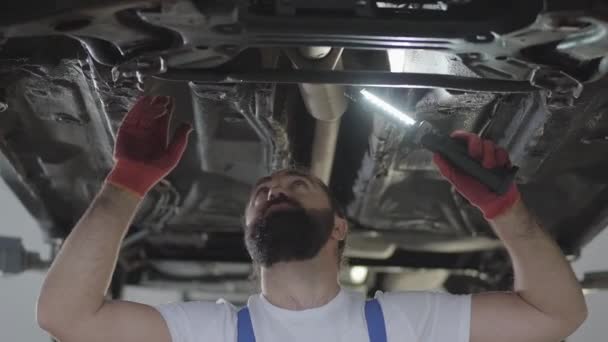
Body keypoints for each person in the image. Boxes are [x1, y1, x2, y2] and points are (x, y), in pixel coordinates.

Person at [37, 96, 587, 342]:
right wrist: (125, 183)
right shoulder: (213, 333)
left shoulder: (402, 324)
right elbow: (68, 319)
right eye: (263, 192)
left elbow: (554, 316)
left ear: (339, 225)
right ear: (248, 233)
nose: (275, 190)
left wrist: (505, 209)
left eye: (297, 186)